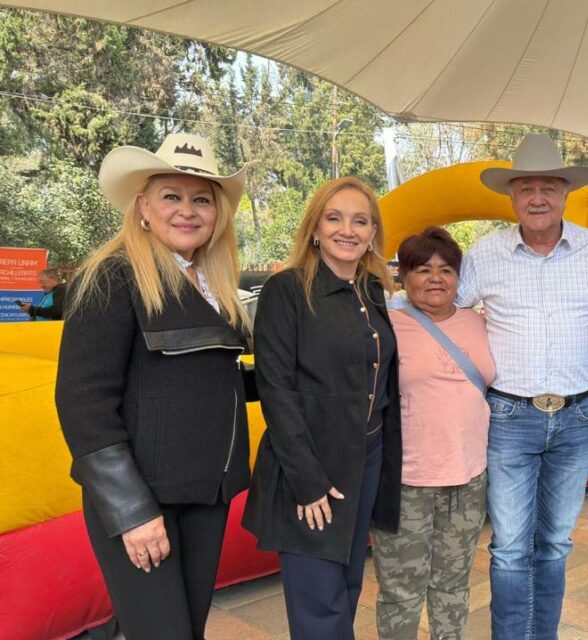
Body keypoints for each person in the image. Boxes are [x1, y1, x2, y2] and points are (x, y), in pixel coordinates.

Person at [55, 133, 252, 639]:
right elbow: (83, 403)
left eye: (202, 199)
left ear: (217, 213)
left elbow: (210, 381)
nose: (187, 210)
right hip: (144, 503)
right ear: (143, 206)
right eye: (171, 196)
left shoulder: (211, 286)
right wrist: (132, 512)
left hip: (206, 498)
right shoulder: (110, 277)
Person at [456, 133, 588, 639]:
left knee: (554, 544)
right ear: (511, 196)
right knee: (510, 547)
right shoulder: (485, 254)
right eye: (526, 188)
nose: (537, 198)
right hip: (509, 416)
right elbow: (447, 313)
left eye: (548, 187)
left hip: (576, 418)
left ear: (565, 193)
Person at [242, 177, 402, 639]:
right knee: (320, 604)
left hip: (366, 459)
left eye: (360, 221)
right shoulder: (286, 290)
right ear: (315, 227)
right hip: (310, 465)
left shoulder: (370, 290)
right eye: (334, 218)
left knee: (347, 588)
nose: (347, 230)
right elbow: (276, 390)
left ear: (373, 232)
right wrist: (307, 482)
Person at [370, 226, 495, 640]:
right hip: (407, 482)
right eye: (423, 269)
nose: (435, 279)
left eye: (446, 270)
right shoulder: (386, 325)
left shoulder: (480, 323)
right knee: (401, 591)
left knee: (453, 586)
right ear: (403, 277)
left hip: (468, 478)